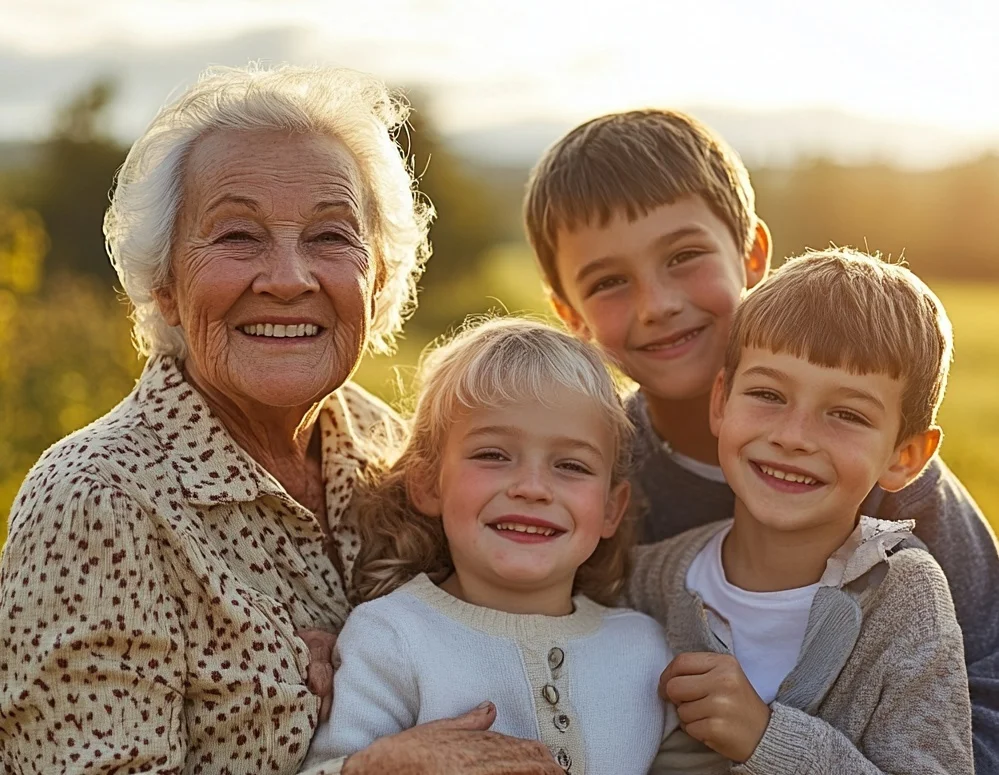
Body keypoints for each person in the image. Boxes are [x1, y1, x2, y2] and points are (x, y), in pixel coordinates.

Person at [0, 65, 563, 775]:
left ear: (378, 276)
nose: (290, 277)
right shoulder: (97, 499)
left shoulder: (398, 452)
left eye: (331, 237)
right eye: (238, 235)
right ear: (165, 283)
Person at [523, 108, 999, 772]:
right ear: (569, 313)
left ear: (750, 254)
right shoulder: (598, 470)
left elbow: (985, 676)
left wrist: (776, 740)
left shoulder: (888, 480)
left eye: (683, 256)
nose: (656, 302)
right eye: (608, 282)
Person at [632, 248, 973, 773]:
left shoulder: (905, 598)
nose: (793, 437)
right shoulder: (651, 578)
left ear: (906, 457)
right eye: (768, 393)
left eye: (846, 414)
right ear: (721, 401)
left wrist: (768, 740)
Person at [302, 318, 694, 775]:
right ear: (428, 483)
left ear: (610, 508)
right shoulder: (391, 638)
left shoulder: (646, 649)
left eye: (570, 465)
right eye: (492, 455)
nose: (532, 488)